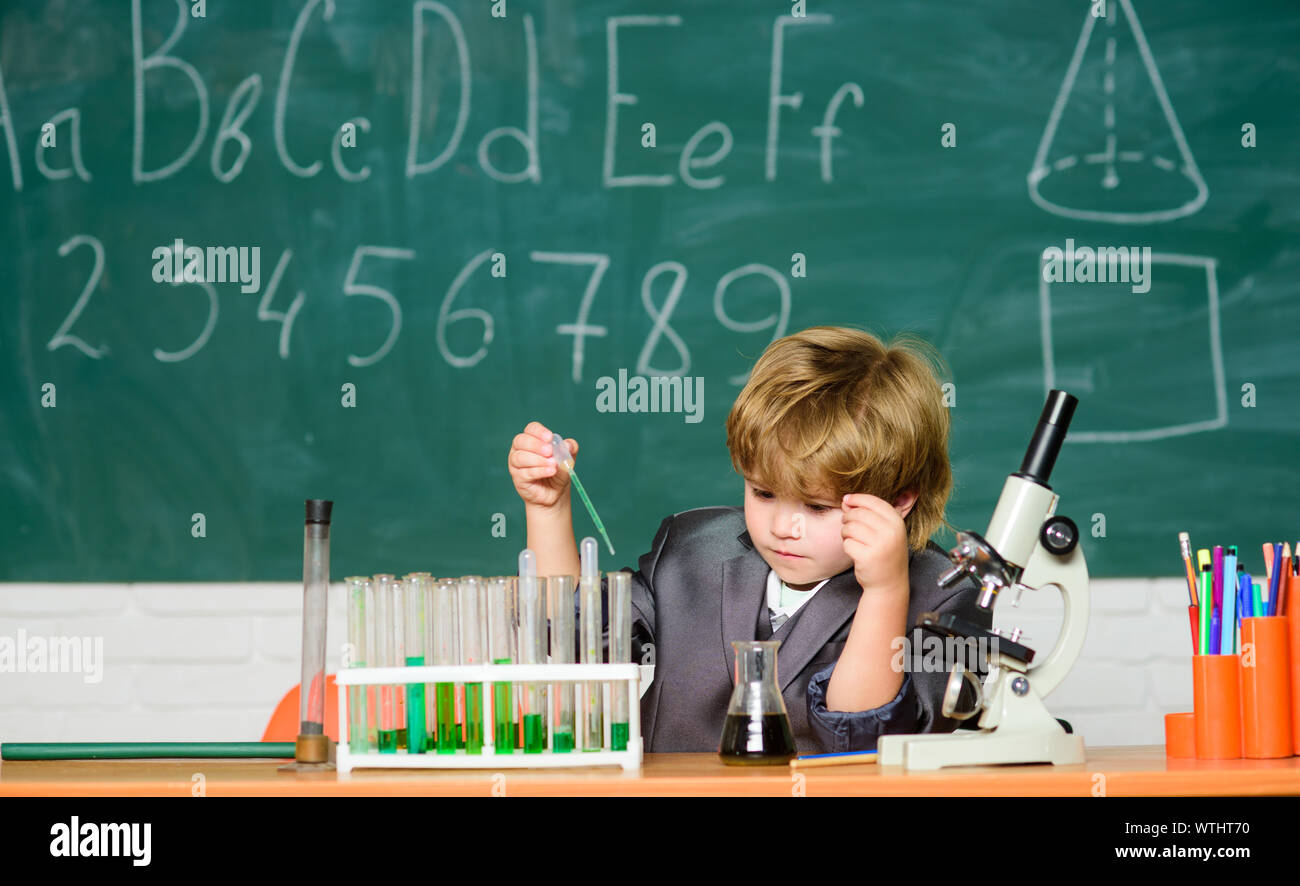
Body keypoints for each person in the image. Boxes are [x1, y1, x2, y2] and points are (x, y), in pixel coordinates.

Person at [506, 326, 988, 753]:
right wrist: (548, 510)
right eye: (763, 492)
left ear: (899, 500)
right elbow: (576, 638)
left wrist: (884, 592)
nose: (782, 525)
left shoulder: (944, 597)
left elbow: (863, 736)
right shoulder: (690, 550)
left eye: (817, 507)